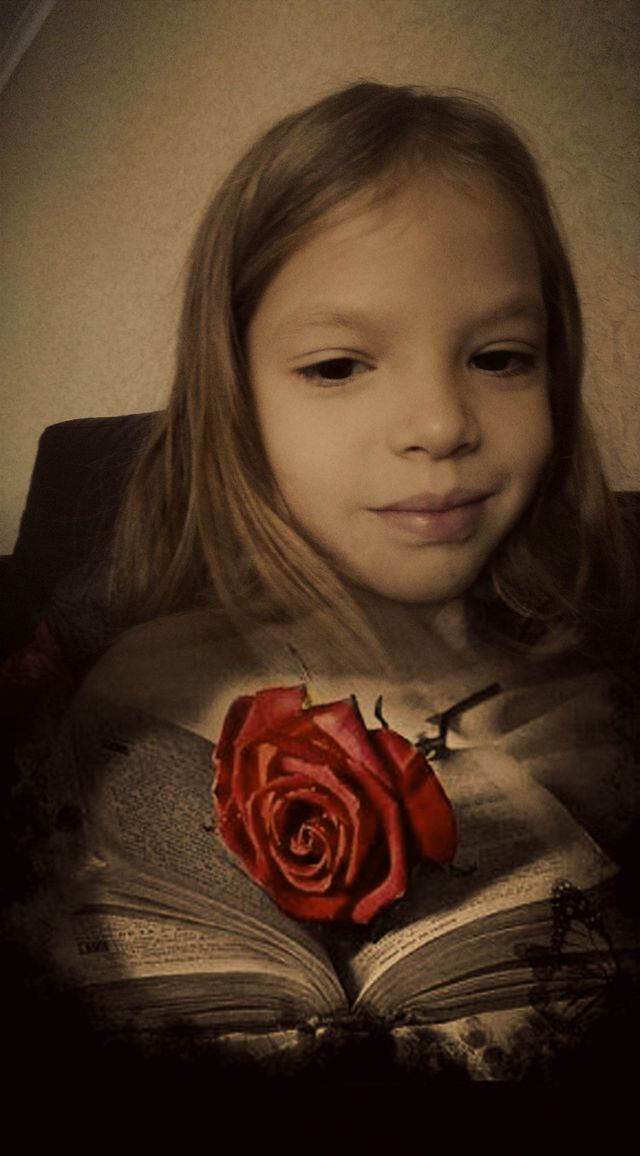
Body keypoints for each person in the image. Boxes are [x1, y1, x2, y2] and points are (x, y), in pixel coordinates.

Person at [8, 82, 640, 1084]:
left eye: (499, 356)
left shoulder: (605, 675)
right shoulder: (126, 673)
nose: (441, 423)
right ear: (235, 400)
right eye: (340, 366)